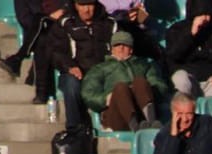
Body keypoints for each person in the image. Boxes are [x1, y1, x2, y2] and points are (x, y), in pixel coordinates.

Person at [80, 31, 168, 131]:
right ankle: (135, 127)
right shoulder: (100, 68)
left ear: (131, 49)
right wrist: (106, 98)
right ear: (112, 49)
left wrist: (147, 91)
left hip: (141, 113)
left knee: (140, 82)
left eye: (125, 45)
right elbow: (88, 94)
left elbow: (160, 85)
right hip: (115, 114)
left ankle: (151, 122)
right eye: (117, 45)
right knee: (121, 88)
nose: (121, 48)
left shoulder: (144, 65)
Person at [52, 0, 117, 131]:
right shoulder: (65, 23)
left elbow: (118, 47)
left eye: (90, 5)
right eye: (82, 5)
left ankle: (114, 123)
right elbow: (56, 51)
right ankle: (74, 128)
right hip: (76, 71)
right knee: (71, 83)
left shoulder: (109, 23)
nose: (87, 9)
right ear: (75, 5)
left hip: (103, 71)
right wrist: (69, 66)